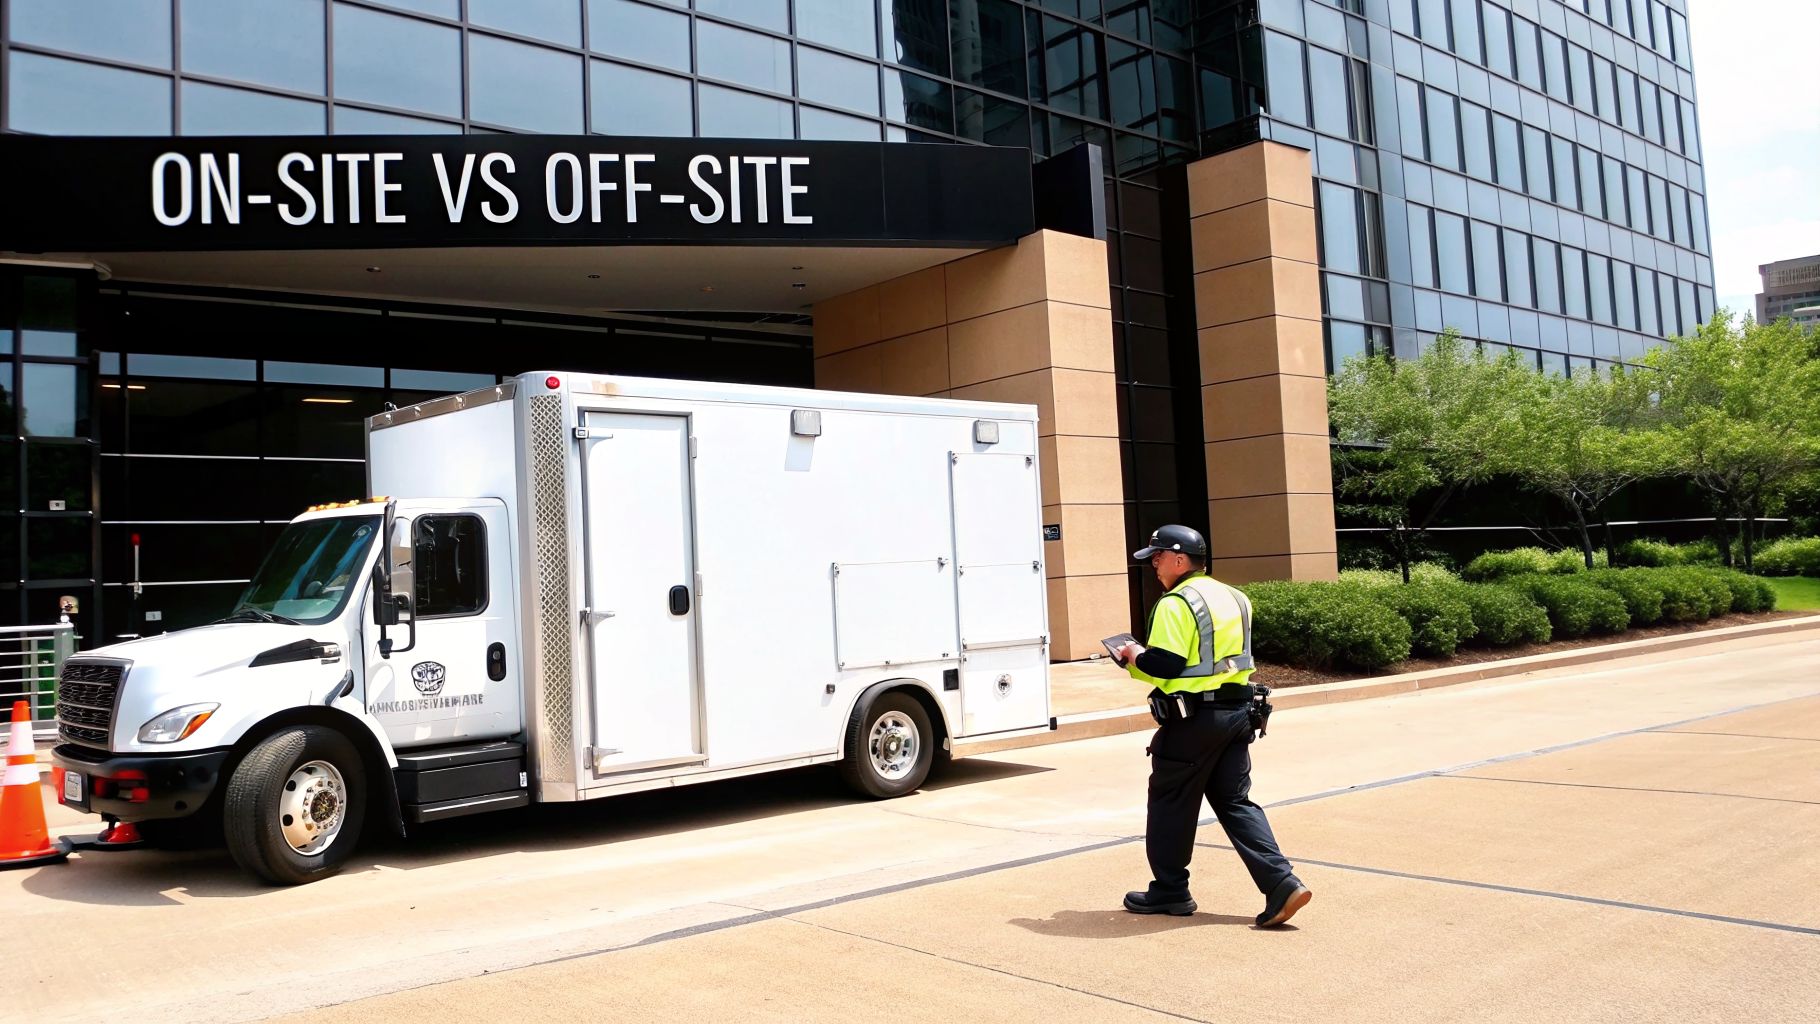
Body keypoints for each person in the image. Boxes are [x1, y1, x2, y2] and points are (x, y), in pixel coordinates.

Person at [1114, 524, 1311, 927]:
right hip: (1238, 714)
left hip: (1194, 721)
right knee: (1236, 802)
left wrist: (1133, 654)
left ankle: (1170, 890)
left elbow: (1165, 664)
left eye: (1157, 556)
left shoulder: (1175, 604)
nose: (1152, 564)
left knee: (1170, 801)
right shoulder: (1234, 596)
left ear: (1180, 559)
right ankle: (1281, 883)